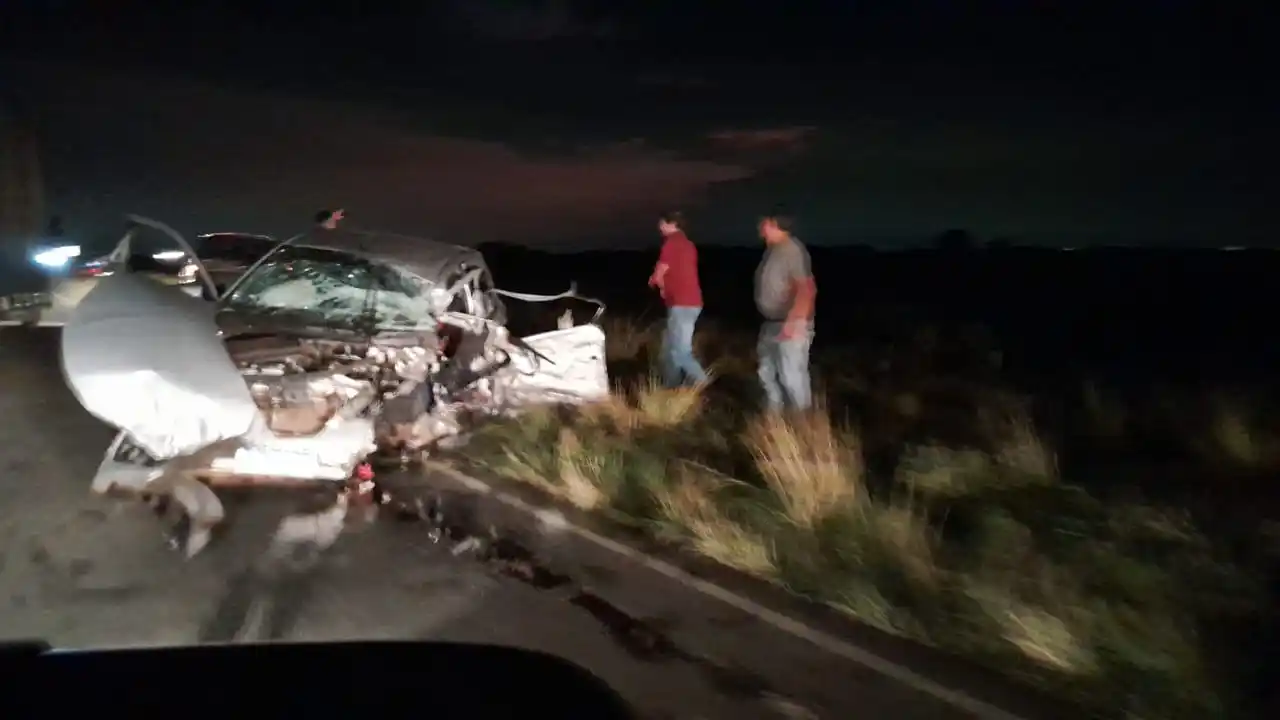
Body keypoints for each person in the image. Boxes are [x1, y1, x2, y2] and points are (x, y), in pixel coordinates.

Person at [754, 211, 817, 412]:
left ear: (773, 224)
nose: (760, 226)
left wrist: (794, 321)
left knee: (791, 376)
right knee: (767, 374)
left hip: (790, 324)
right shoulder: (773, 250)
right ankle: (774, 421)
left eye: (763, 222)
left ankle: (802, 425)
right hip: (772, 323)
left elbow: (806, 288)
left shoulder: (792, 250)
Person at [647, 211, 708, 388]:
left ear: (671, 224)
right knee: (668, 350)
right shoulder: (688, 245)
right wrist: (664, 287)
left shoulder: (672, 243)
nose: (659, 227)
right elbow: (676, 271)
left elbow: (661, 270)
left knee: (680, 352)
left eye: (661, 223)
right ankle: (670, 387)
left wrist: (654, 281)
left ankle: (703, 384)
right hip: (689, 302)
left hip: (682, 304)